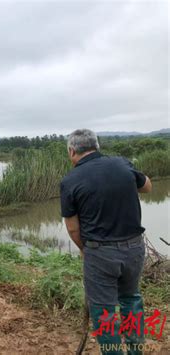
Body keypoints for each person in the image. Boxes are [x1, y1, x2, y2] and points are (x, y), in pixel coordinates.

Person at [60, 129, 152, 355]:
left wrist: (85, 249)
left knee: (104, 312)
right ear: (97, 146)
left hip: (100, 253)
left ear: (72, 151)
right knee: (131, 301)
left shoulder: (70, 180)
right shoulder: (122, 164)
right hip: (134, 248)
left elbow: (72, 227)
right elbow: (147, 186)